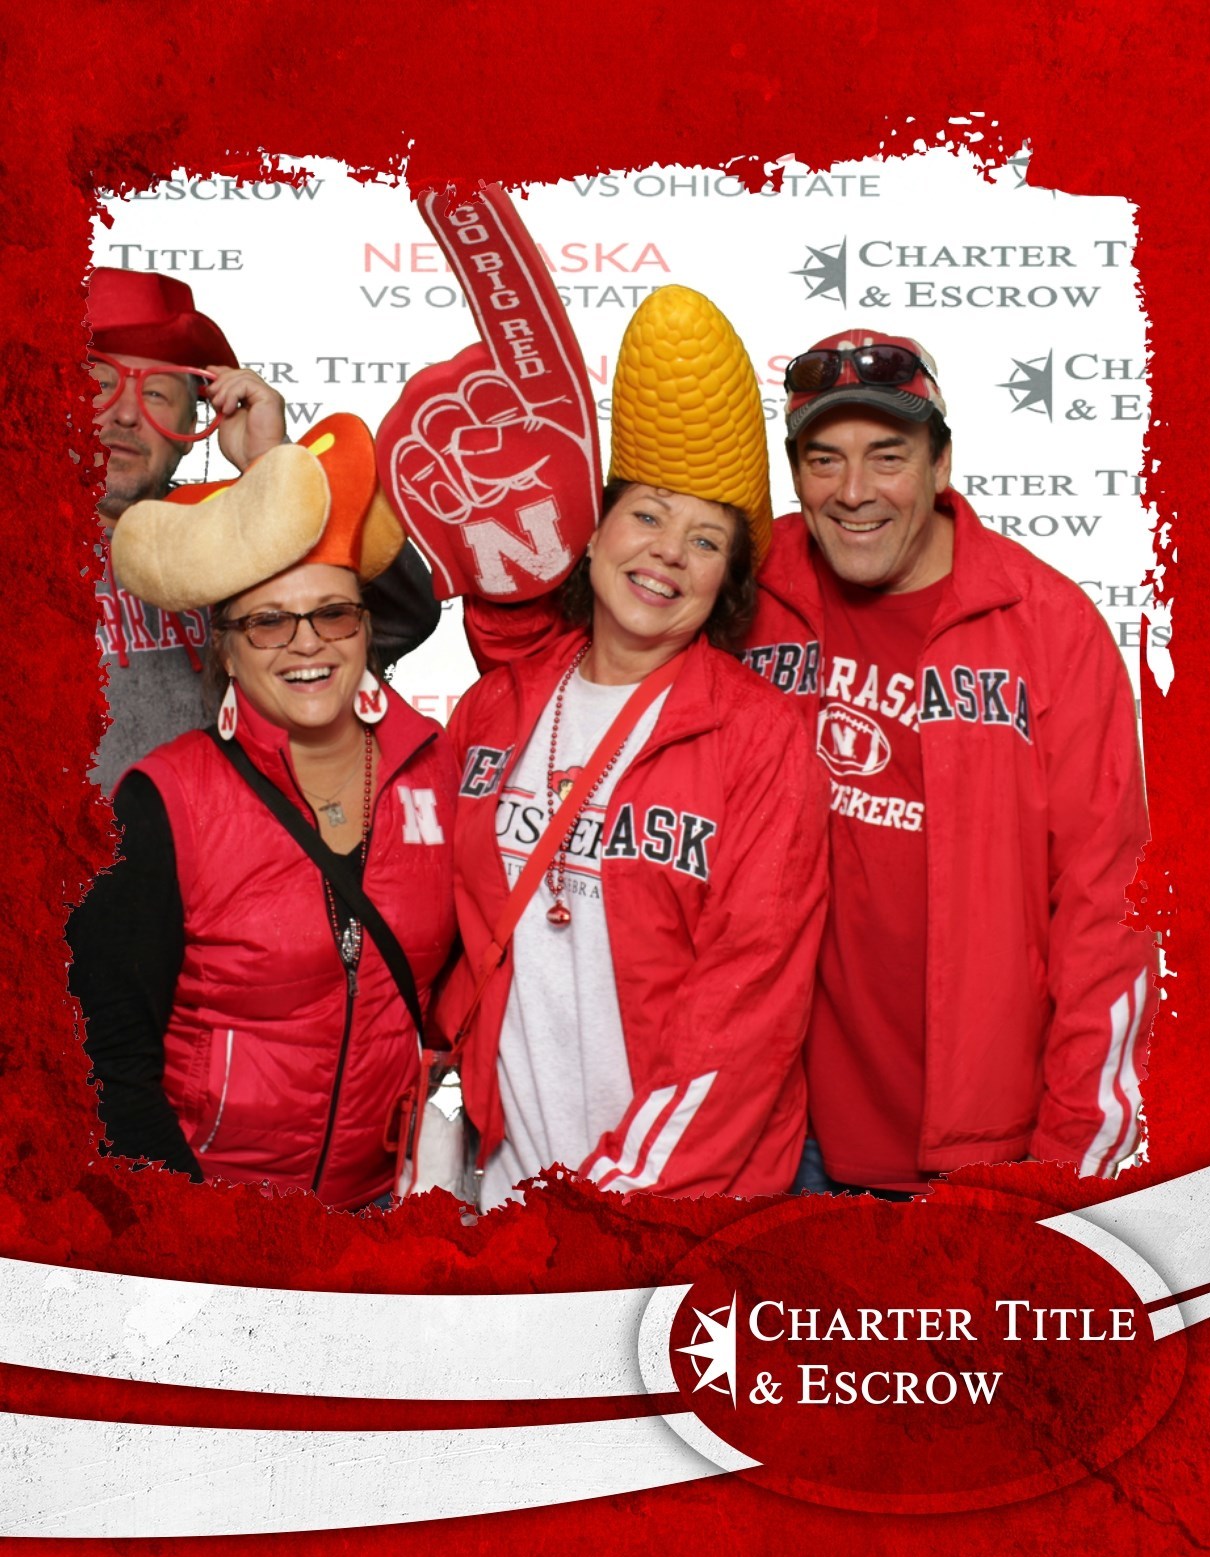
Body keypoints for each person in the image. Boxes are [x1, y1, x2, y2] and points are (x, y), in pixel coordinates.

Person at [445, 287, 829, 1207]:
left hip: (669, 1211)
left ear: (727, 583)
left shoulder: (762, 742)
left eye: (707, 541)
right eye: (648, 516)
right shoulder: (494, 710)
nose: (668, 554)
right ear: (594, 534)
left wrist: (610, 1207)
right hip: (502, 1198)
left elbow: (746, 1013)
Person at [746, 329, 1155, 1191]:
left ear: (941, 465)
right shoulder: (743, 585)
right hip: (772, 1135)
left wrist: (1063, 1178)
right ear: (795, 476)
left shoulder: (1049, 627)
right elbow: (585, 668)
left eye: (887, 456)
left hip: (979, 1160)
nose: (854, 492)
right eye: (824, 460)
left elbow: (1107, 916)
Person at [67, 416, 457, 1210]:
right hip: (215, 1218)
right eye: (268, 621)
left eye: (332, 613)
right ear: (226, 649)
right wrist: (195, 1237)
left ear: (366, 629)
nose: (306, 644)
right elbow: (109, 1062)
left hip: (384, 1217)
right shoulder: (163, 801)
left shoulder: (439, 770)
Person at [87, 268, 440, 788]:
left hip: (235, 836)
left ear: (191, 428)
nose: (125, 415)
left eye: (157, 395)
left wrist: (271, 468)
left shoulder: (240, 533)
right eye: (98, 385)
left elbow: (402, 617)